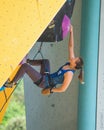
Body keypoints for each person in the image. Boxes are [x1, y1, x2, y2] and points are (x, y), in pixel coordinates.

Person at [5, 25, 84, 95]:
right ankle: (27, 60)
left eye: (74, 59)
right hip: (47, 76)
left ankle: (11, 83)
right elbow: (71, 47)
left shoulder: (69, 74)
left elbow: (63, 89)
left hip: (44, 83)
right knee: (45, 61)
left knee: (25, 67)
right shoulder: (69, 64)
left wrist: (50, 90)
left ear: (75, 65)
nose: (72, 58)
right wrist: (71, 32)